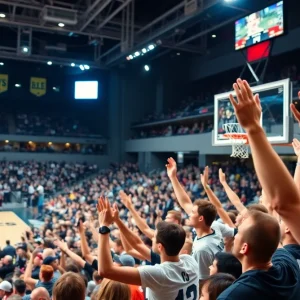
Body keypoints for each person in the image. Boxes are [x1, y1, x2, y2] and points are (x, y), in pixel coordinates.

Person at [217, 78, 300, 299]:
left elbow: (284, 204)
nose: (235, 232)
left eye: (239, 232)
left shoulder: (233, 295)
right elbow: (287, 205)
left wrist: (253, 128)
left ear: (244, 248)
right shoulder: (288, 266)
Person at [97, 197, 200, 300]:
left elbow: (105, 271)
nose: (152, 238)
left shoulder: (158, 274)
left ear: (160, 247)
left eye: (154, 237)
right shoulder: (190, 261)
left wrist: (104, 226)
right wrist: (118, 221)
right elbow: (137, 243)